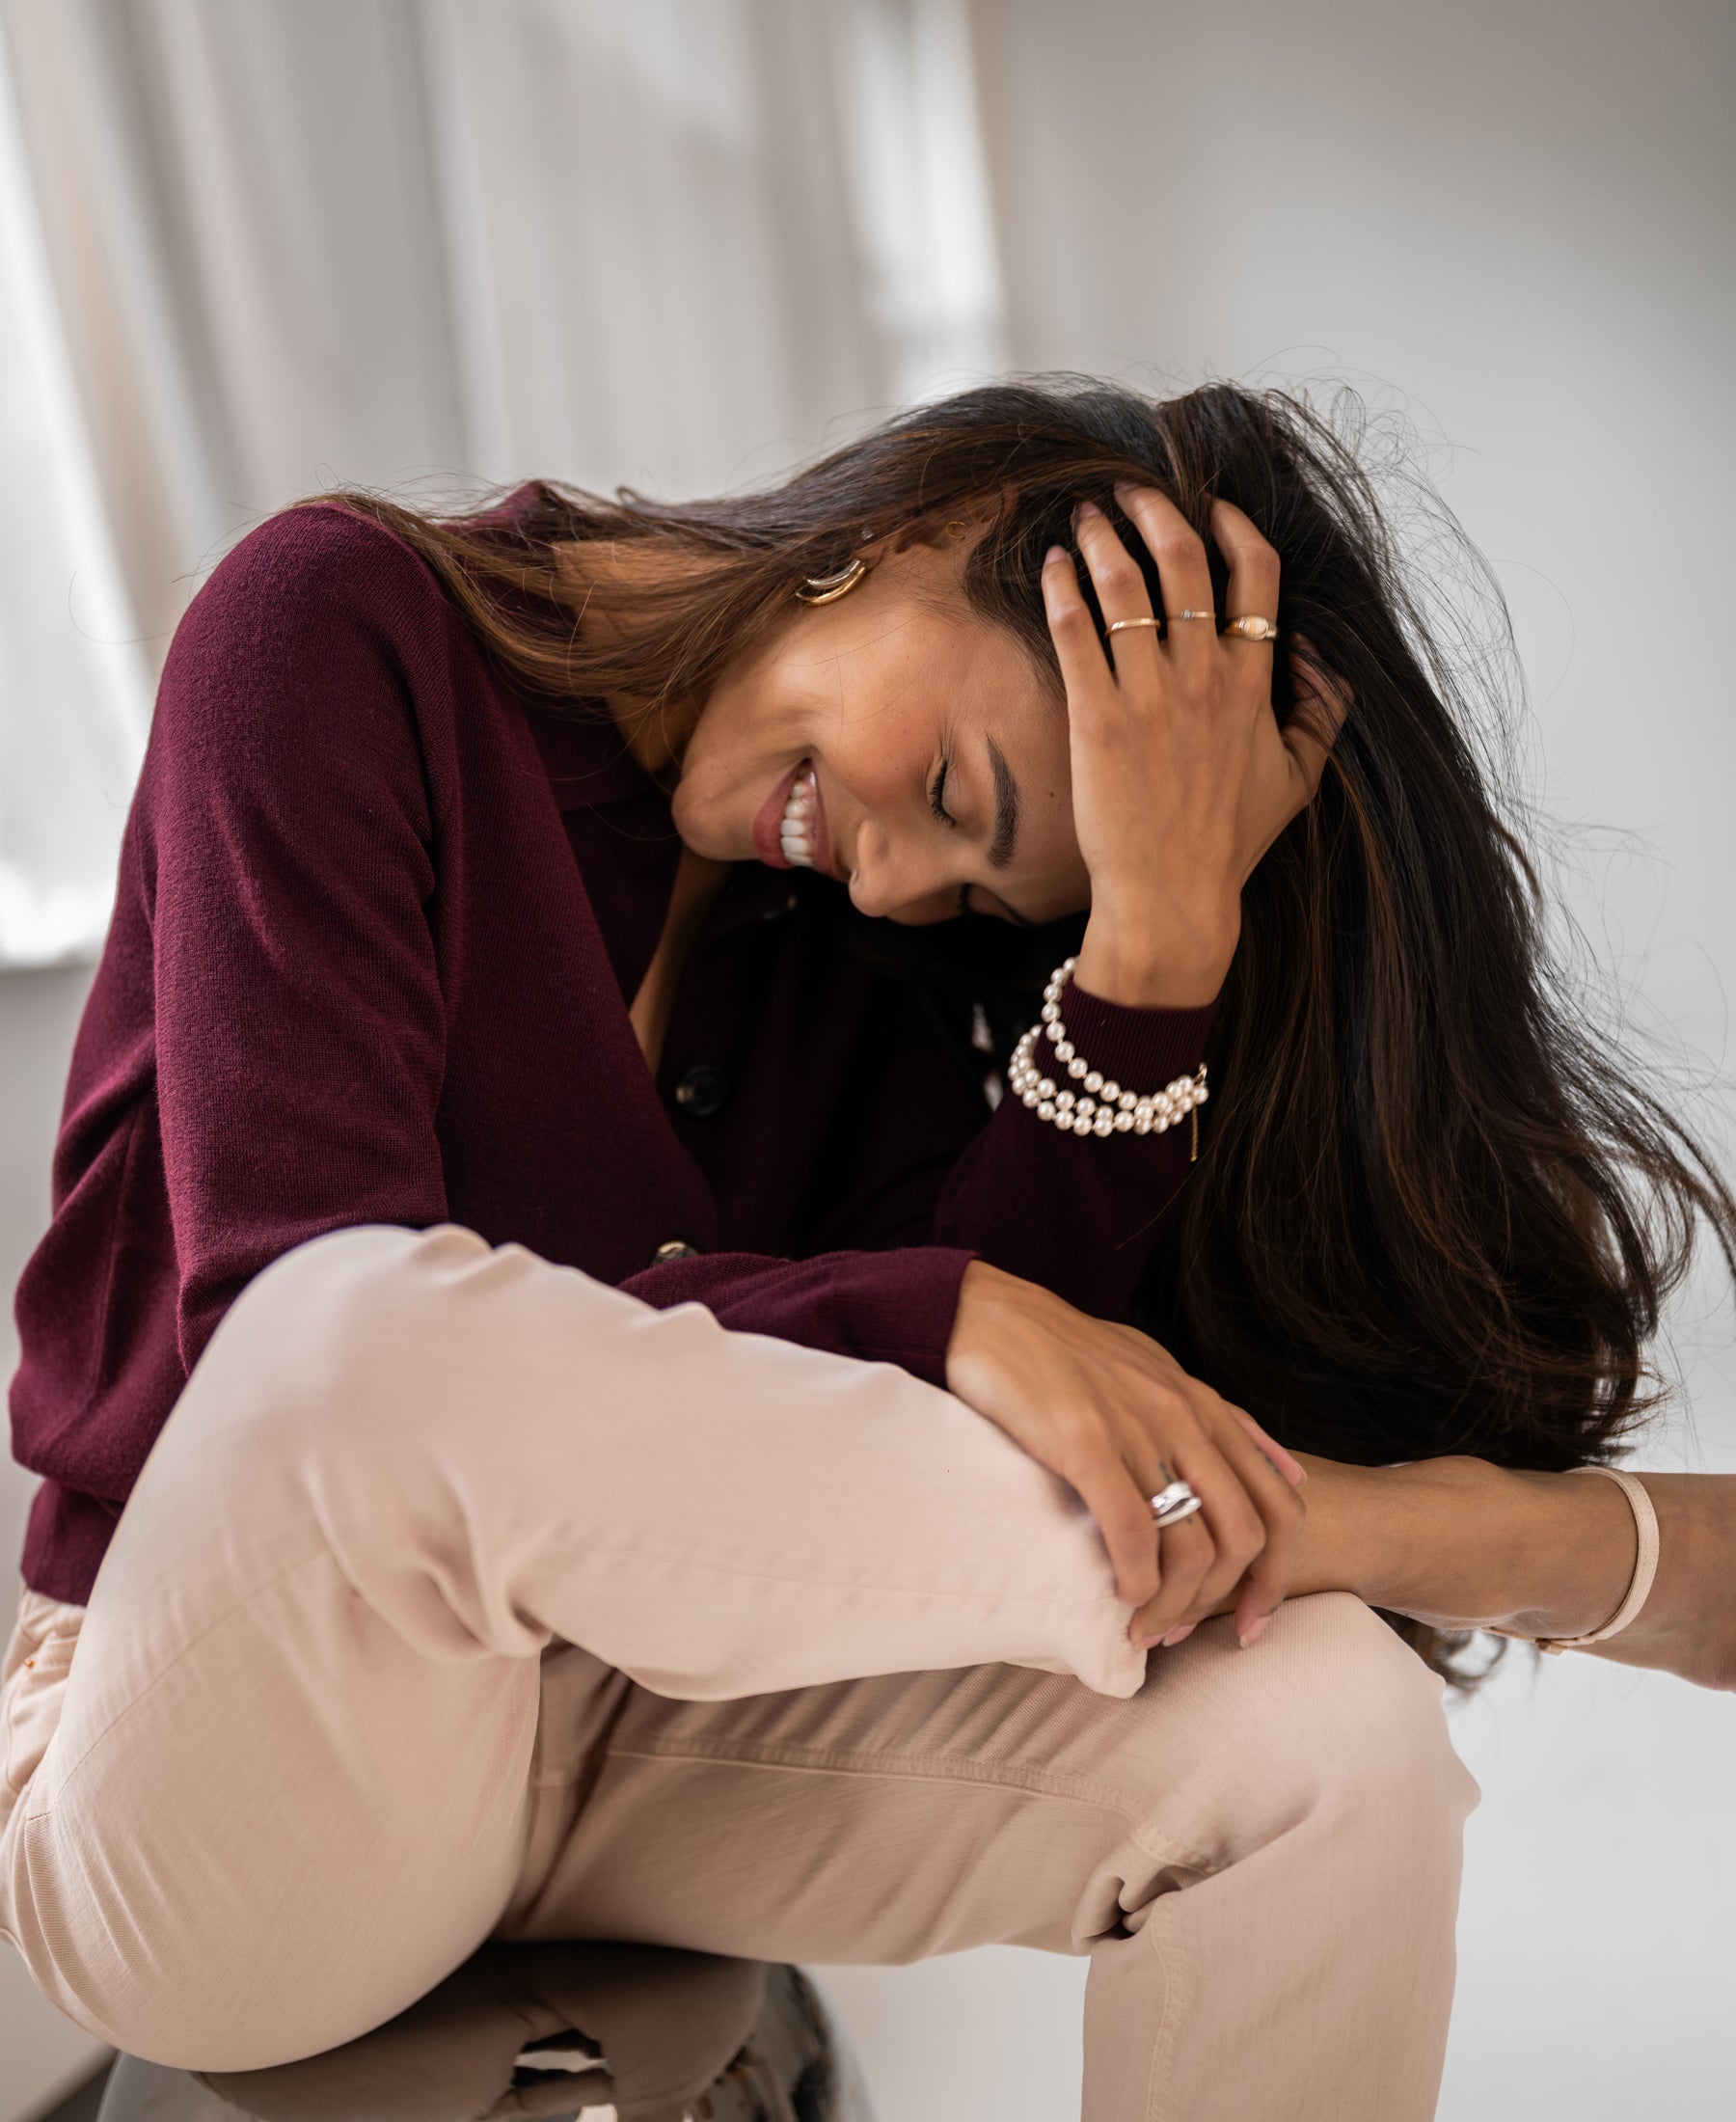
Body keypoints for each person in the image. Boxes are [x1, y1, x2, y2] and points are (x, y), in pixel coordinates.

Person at [4, 378, 1731, 2122]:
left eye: (989, 899)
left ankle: (1395, 1537)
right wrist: (933, 1311)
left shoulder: (838, 935)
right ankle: (1479, 1542)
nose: (901, 888)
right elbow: (283, 1305)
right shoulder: (334, 627)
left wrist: (1150, 956)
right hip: (234, 1770)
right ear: (916, 529)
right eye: (965, 796)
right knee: (355, 1327)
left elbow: (966, 1436)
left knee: (1335, 1740)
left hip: (632, 1740)